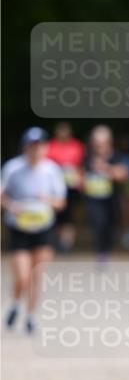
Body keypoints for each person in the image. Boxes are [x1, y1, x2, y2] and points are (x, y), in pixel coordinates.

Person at [1, 127, 66, 333]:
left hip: (43, 228)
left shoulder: (52, 170)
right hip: (19, 227)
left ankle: (30, 317)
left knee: (37, 275)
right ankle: (15, 304)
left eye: (39, 146)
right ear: (25, 147)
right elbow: (2, 194)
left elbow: (60, 202)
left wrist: (45, 199)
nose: (35, 150)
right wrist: (13, 206)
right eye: (31, 146)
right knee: (22, 275)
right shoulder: (13, 168)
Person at [82, 125, 129, 262]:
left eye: (102, 143)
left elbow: (123, 175)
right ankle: (100, 250)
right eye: (96, 143)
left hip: (111, 198)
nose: (99, 146)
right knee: (99, 222)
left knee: (110, 224)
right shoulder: (88, 157)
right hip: (93, 198)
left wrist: (105, 168)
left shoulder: (116, 156)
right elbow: (81, 175)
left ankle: (107, 248)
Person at [45, 121, 85, 252]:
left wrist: (80, 179)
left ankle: (66, 244)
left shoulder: (77, 146)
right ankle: (55, 240)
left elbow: (82, 166)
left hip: (71, 186)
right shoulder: (50, 146)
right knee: (55, 215)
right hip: (53, 186)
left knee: (69, 215)